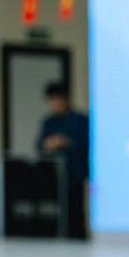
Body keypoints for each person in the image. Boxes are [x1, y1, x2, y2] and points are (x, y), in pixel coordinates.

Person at [36, 81, 89, 239]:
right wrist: (48, 144)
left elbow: (87, 144)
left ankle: (77, 237)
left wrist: (66, 143)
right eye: (52, 100)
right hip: (54, 175)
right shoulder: (49, 122)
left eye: (58, 99)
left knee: (75, 209)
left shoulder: (80, 120)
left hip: (75, 173)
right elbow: (39, 145)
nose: (55, 104)